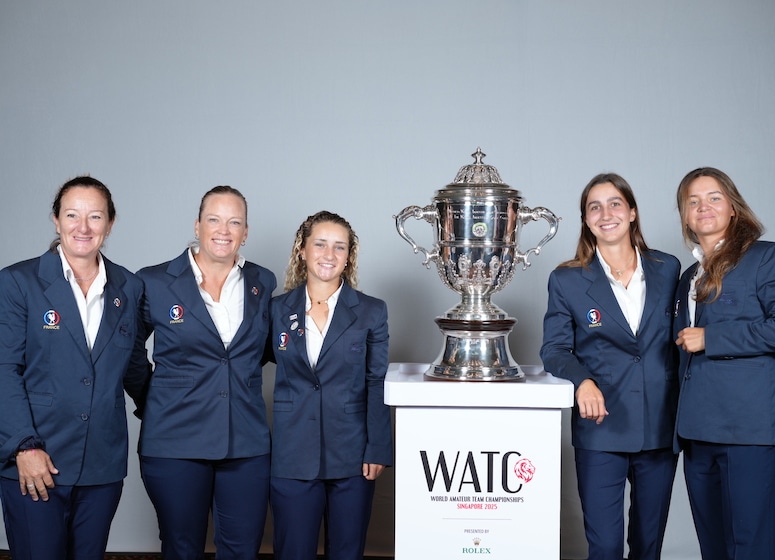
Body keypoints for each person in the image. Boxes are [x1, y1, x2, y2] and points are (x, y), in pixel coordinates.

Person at [0, 176, 147, 560]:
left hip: (102, 463)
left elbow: (134, 369)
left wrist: (172, 413)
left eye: (95, 216)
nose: (83, 227)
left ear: (110, 223)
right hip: (36, 459)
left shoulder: (129, 287)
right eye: (72, 215)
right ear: (56, 220)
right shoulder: (18, 282)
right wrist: (24, 446)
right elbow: (3, 369)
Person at [540, 173, 680, 560]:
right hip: (601, 426)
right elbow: (553, 349)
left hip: (659, 424)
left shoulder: (668, 269)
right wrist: (582, 381)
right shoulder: (567, 279)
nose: (606, 213)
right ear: (586, 220)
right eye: (594, 207)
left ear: (632, 212)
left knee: (648, 544)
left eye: (615, 203)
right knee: (604, 546)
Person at [136, 186, 276, 560]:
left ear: (245, 232)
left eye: (235, 222)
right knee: (182, 549)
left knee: (243, 549)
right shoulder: (153, 282)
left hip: (246, 441)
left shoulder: (263, 282)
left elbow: (257, 351)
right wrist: (154, 398)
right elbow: (128, 352)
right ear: (197, 226)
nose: (223, 230)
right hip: (174, 440)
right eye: (214, 219)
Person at [267, 210, 392, 560]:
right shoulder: (275, 310)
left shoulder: (371, 311)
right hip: (292, 453)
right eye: (320, 244)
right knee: (292, 551)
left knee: (347, 552)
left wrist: (378, 447)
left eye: (340, 247)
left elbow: (376, 381)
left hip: (353, 453)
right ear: (302, 250)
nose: (329, 254)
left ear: (349, 256)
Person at [673, 167, 775, 559]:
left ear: (733, 207)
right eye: (693, 201)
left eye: (714, 197)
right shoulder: (687, 278)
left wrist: (712, 338)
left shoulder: (764, 259)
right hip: (698, 432)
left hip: (747, 431)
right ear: (684, 214)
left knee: (750, 547)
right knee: (713, 547)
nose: (703, 207)